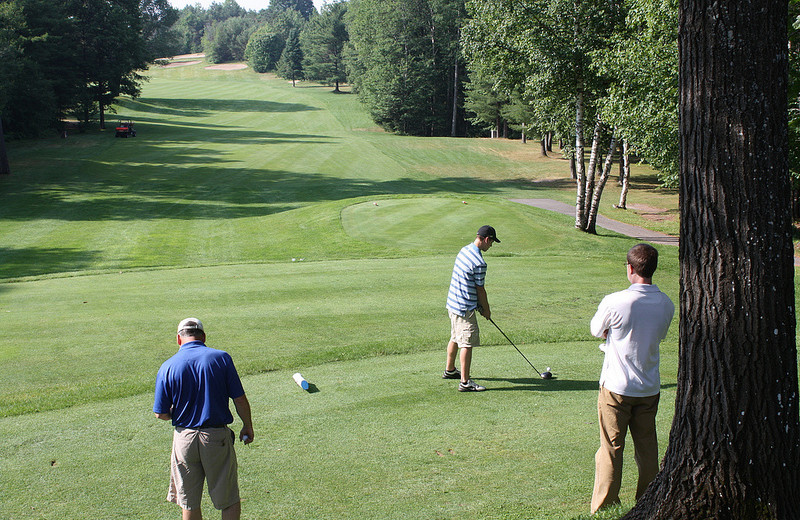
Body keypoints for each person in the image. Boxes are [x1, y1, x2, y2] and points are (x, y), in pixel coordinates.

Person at [589, 244, 674, 513]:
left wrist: (611, 333)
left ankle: (604, 506)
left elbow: (595, 329)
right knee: (647, 449)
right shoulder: (666, 303)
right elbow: (657, 335)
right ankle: (648, 502)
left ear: (630, 268)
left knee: (611, 448)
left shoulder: (615, 301)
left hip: (616, 387)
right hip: (648, 387)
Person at [154, 318, 254, 520]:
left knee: (189, 502)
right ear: (204, 336)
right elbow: (240, 399)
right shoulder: (221, 358)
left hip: (184, 440)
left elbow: (160, 413)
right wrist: (247, 426)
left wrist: (178, 412)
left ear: (178, 339)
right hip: (216, 438)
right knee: (229, 500)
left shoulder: (167, 366)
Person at [443, 225, 500, 392]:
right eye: (491, 243)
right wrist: (486, 310)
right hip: (464, 308)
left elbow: (469, 284)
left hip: (452, 303)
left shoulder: (464, 250)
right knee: (467, 342)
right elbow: (480, 289)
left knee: (455, 337)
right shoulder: (480, 262)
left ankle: (450, 370)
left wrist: (479, 306)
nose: (491, 246)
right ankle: (465, 382)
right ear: (486, 239)